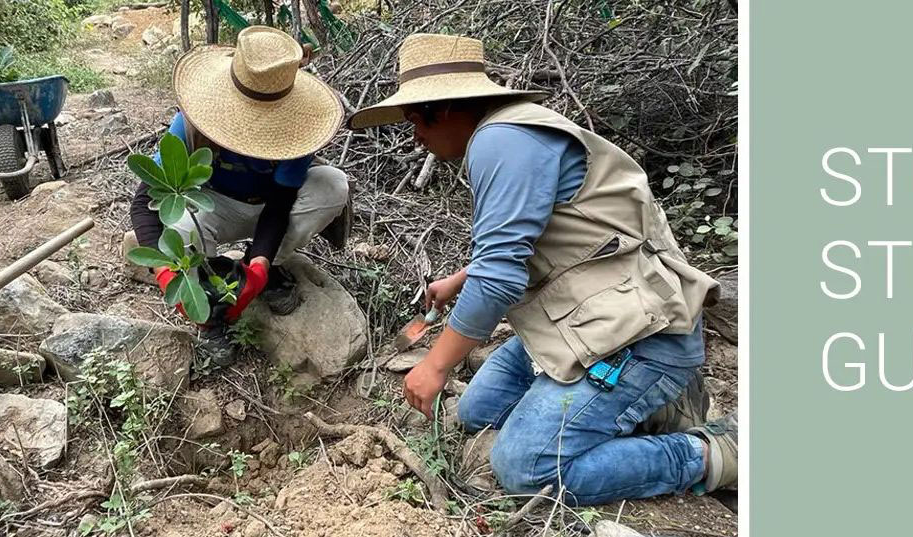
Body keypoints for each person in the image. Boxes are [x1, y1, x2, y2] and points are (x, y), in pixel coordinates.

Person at [348, 33, 734, 505]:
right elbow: (542, 240)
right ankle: (641, 411)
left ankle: (713, 453)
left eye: (415, 120)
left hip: (639, 337)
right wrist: (461, 278)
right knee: (477, 412)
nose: (415, 137)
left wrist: (435, 363)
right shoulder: (511, 133)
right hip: (585, 324)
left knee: (525, 466)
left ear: (445, 108)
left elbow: (499, 279)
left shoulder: (502, 141)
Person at [129, 25, 351, 362]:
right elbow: (145, 202)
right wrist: (165, 270)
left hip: (269, 208)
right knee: (183, 227)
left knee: (333, 186)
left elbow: (280, 202)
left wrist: (259, 265)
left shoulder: (298, 132)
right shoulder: (190, 125)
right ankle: (208, 311)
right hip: (213, 206)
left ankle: (265, 268)